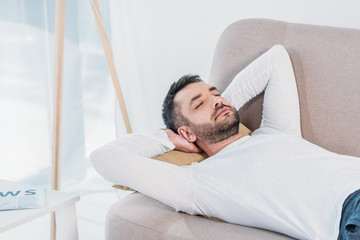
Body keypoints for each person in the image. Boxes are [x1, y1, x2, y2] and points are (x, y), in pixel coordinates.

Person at [91, 45, 360, 240]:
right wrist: (167, 137)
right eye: (199, 104)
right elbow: (105, 158)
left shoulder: (276, 131)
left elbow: (276, 58)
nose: (217, 100)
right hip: (349, 213)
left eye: (216, 94)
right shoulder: (197, 185)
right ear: (186, 133)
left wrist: (218, 106)